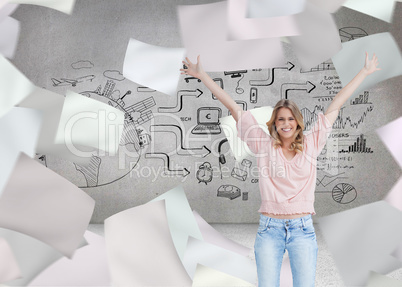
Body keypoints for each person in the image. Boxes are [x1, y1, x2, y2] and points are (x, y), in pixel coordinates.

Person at [181, 53, 380, 287]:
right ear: (274, 123)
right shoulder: (263, 144)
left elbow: (335, 104)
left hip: (302, 230)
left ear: (298, 122)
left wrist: (364, 72)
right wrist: (202, 75)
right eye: (280, 119)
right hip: (269, 229)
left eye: (290, 119)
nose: (286, 124)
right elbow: (234, 108)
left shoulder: (311, 143)